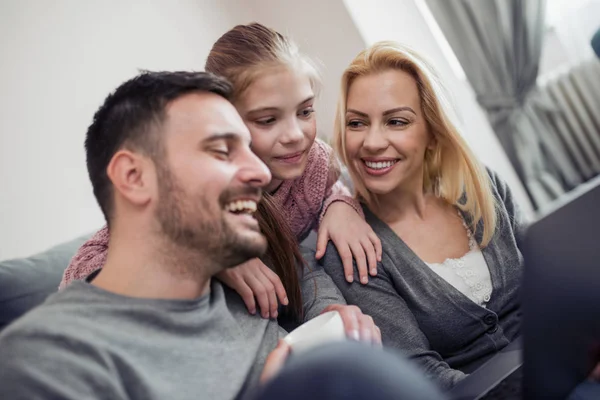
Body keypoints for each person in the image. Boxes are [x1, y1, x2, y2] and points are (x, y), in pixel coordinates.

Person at [0, 71, 447, 400]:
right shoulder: (45, 359)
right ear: (134, 177)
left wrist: (335, 319)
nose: (258, 172)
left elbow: (303, 268)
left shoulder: (240, 279)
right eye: (221, 151)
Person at [59, 23, 381, 324]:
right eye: (267, 120)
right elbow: (85, 271)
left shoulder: (313, 164)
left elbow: (329, 193)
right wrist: (213, 253)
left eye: (305, 111)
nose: (295, 134)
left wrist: (341, 205)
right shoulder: (201, 185)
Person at [320, 41, 524, 390]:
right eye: (357, 123)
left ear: (432, 131)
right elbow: (423, 376)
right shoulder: (354, 248)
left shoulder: (480, 186)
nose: (371, 142)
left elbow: (551, 285)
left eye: (396, 121)